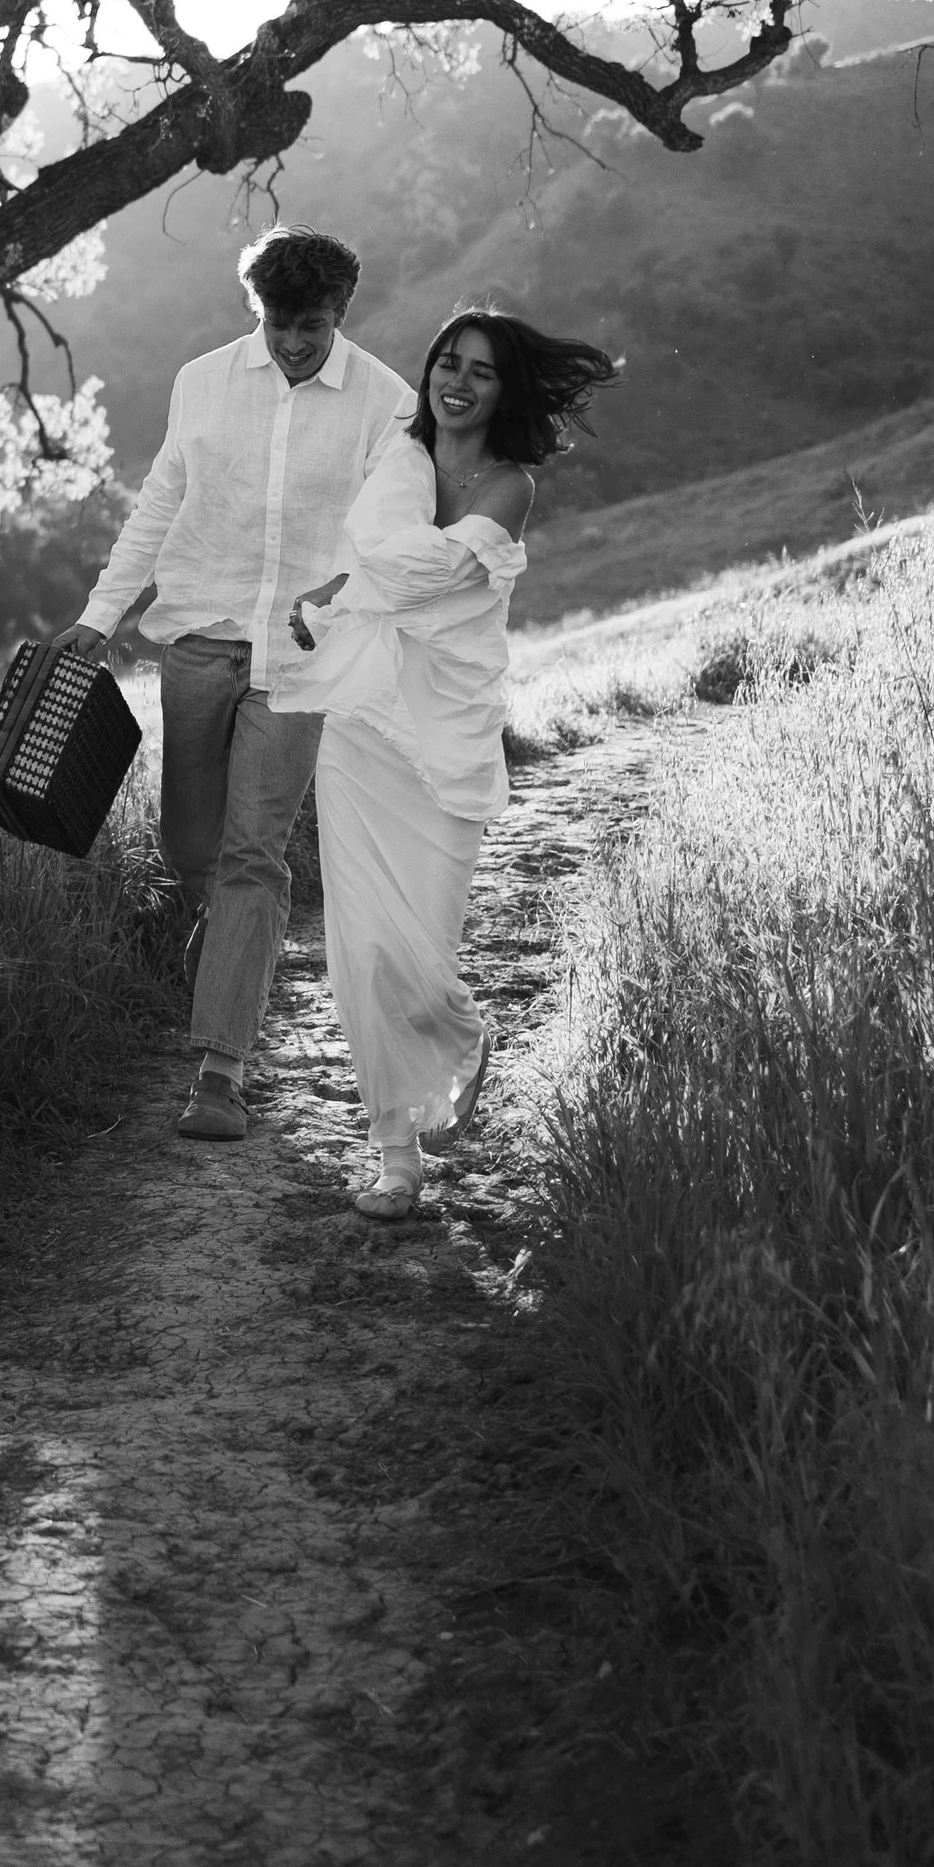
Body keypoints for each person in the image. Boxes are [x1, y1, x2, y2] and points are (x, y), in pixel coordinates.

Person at [60, 227, 413, 1145]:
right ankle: (214, 932)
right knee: (190, 846)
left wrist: (341, 600)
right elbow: (158, 504)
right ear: (253, 308)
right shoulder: (201, 381)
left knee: (256, 853)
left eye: (314, 324)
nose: (295, 341)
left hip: (301, 660)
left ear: (343, 310)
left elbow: (392, 536)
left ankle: (220, 1071)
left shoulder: (386, 403)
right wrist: (100, 618)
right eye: (278, 322)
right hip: (199, 638)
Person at [279, 309, 620, 1221]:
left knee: (420, 950)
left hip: (448, 744)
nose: (456, 381)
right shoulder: (399, 458)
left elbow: (422, 571)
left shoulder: (510, 488)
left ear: (506, 391)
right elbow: (386, 553)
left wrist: (344, 589)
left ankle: (463, 1033)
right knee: (362, 945)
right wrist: (350, 587)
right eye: (445, 362)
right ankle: (395, 1155)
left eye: (481, 371)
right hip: (363, 726)